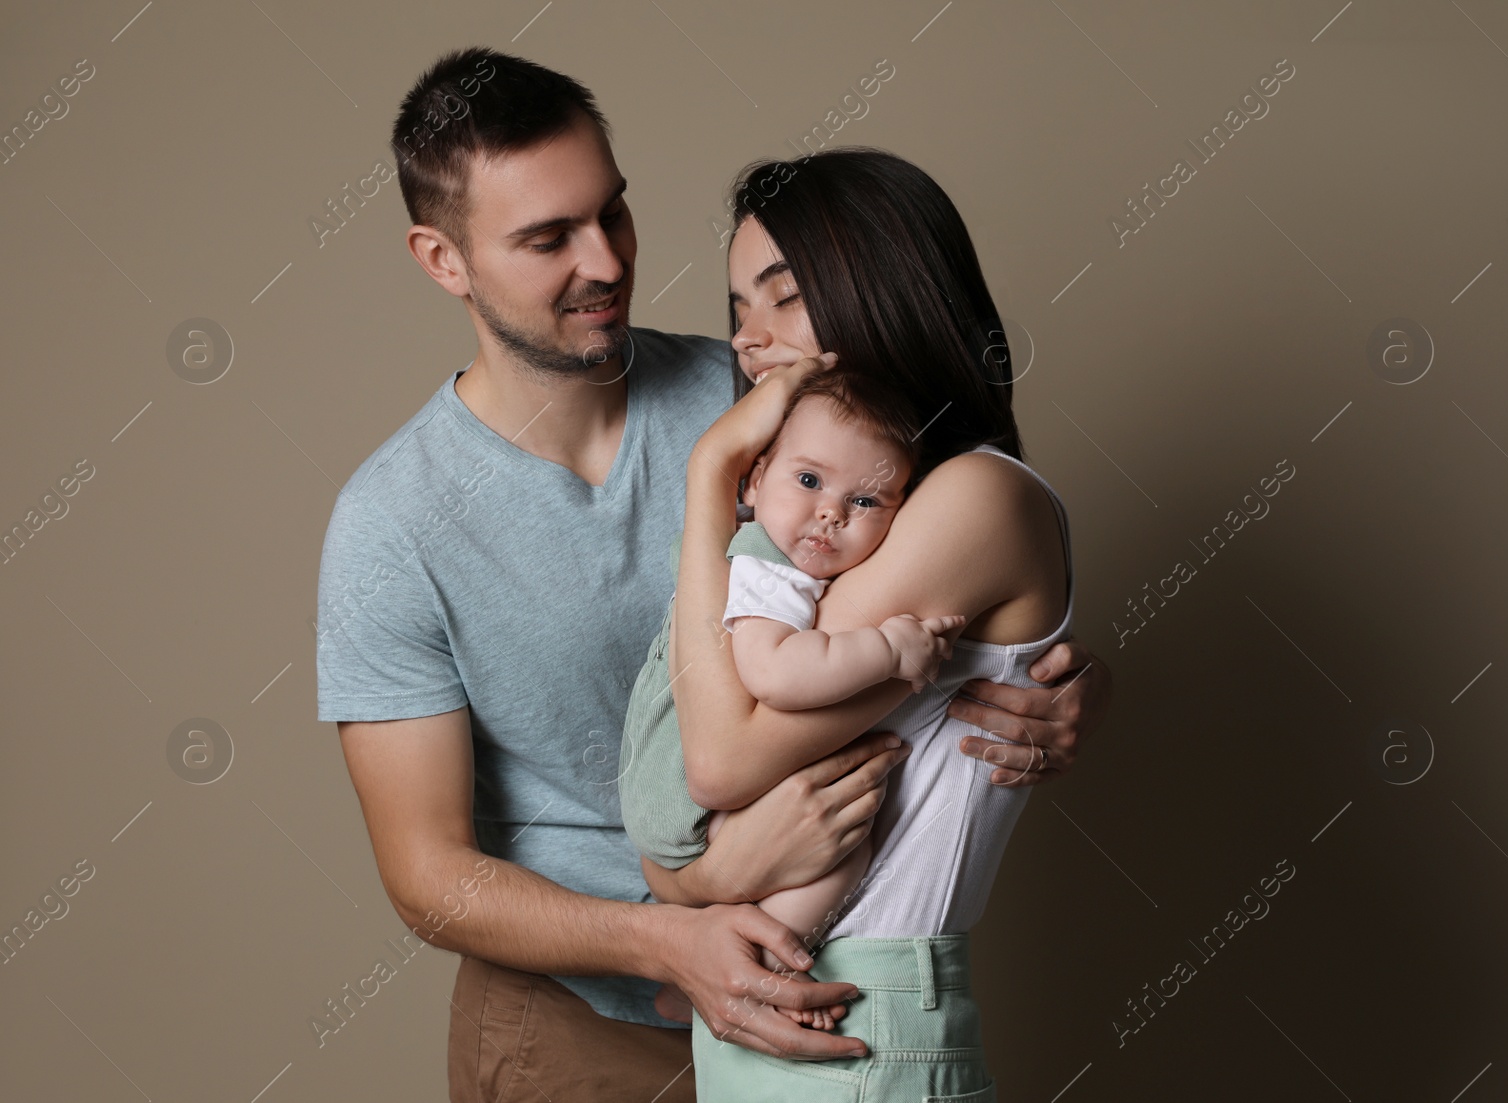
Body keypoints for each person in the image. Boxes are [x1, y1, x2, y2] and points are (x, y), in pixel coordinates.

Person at [316, 46, 1111, 1103]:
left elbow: (971, 573)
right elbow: (426, 876)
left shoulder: (778, 400)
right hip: (579, 1023)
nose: (602, 260)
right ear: (442, 257)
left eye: (614, 213)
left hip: (823, 983)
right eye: (547, 238)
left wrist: (1061, 689)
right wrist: (667, 935)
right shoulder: (392, 522)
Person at [638, 148, 1082, 1099]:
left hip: (857, 1018)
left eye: (784, 295)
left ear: (883, 288)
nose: (751, 340)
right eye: (737, 311)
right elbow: (692, 792)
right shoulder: (834, 526)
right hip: (768, 1003)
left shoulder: (970, 496)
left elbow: (717, 757)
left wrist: (710, 476)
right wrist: (688, 882)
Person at [618, 368, 966, 1031]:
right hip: (681, 794)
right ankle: (757, 972)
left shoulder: (775, 559)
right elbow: (776, 671)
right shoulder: (764, 568)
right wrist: (890, 649)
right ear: (754, 482)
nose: (831, 511)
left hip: (674, 799)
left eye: (867, 502)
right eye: (808, 481)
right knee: (848, 851)